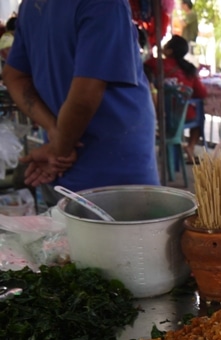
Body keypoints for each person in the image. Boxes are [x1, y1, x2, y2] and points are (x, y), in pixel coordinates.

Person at [3, 0, 159, 196]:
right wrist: (59, 145)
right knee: (128, 223)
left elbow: (13, 76)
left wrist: (55, 132)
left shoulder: (31, 5)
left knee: (70, 221)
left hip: (71, 162)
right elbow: (83, 100)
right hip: (115, 166)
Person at [145, 35, 207, 163]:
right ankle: (190, 146)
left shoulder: (155, 63)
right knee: (200, 118)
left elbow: (145, 65)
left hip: (159, 114)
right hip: (183, 116)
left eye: (166, 45)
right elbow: (201, 93)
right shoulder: (189, 69)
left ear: (170, 50)